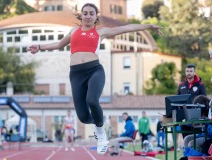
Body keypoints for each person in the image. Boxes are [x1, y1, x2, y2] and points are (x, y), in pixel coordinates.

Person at [27, 3, 162, 155]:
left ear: (96, 16)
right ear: (81, 15)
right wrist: (39, 46)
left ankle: (101, 134)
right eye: (86, 13)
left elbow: (127, 28)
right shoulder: (73, 31)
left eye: (92, 13)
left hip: (94, 70)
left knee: (92, 100)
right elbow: (58, 44)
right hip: (76, 74)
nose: (88, 16)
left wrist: (149, 25)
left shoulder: (101, 32)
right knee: (84, 117)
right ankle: (99, 123)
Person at [178, 64, 207, 139]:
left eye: (191, 71)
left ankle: (195, 149)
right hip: (184, 116)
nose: (189, 73)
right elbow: (177, 100)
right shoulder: (181, 85)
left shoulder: (200, 85)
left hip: (197, 116)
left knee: (196, 138)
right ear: (185, 72)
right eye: (187, 71)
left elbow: (204, 100)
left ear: (194, 72)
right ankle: (187, 150)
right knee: (186, 138)